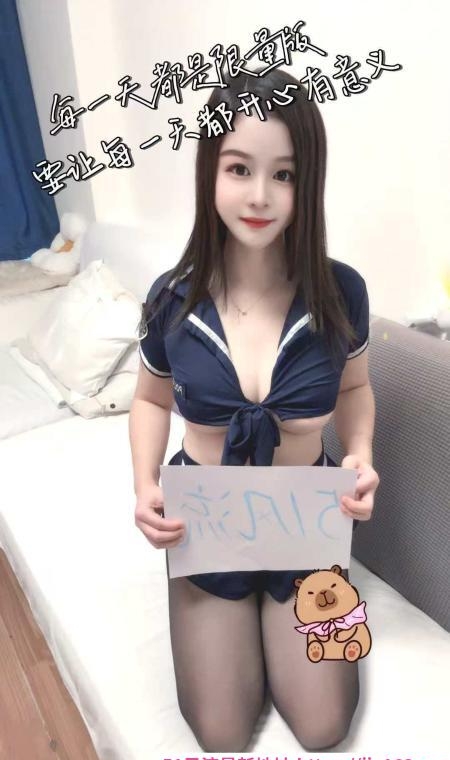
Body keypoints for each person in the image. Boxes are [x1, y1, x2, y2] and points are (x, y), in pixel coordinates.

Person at [129, 66, 380, 752]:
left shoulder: (341, 294)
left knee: (324, 725)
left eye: (285, 174)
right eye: (239, 168)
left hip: (304, 521)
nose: (261, 195)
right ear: (210, 169)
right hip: (206, 523)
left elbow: (354, 389)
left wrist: (360, 456)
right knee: (222, 731)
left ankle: (273, 626)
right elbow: (149, 397)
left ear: (308, 182)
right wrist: (146, 484)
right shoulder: (171, 299)